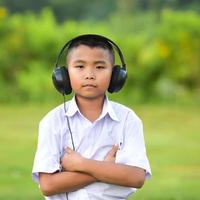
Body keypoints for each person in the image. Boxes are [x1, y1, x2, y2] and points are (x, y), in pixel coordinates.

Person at [32, 34, 151, 200]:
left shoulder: (128, 119)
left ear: (116, 75)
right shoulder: (52, 121)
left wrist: (81, 165)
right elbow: (48, 185)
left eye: (100, 67)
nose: (89, 75)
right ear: (64, 75)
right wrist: (107, 169)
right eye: (80, 67)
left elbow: (136, 177)